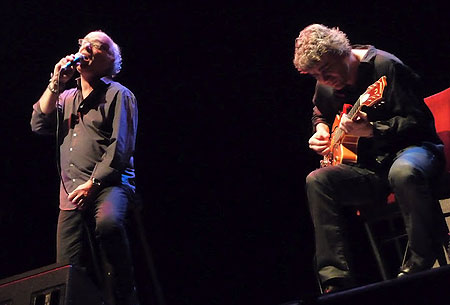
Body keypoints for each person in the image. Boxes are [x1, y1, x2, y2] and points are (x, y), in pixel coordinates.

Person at [293, 24, 447, 293]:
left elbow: (420, 122)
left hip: (414, 150)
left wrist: (373, 130)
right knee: (318, 181)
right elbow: (319, 110)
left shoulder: (386, 67)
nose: (324, 78)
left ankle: (419, 264)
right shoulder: (325, 85)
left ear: (343, 52)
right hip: (372, 167)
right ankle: (335, 280)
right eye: (316, 75)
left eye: (326, 69)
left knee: (403, 172)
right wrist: (321, 129)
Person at [31, 30, 139, 305]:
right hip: (71, 195)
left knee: (108, 223)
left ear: (111, 61)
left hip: (109, 185)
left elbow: (121, 147)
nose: (87, 47)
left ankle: (124, 292)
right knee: (65, 266)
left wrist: (94, 183)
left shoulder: (119, 94)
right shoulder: (66, 97)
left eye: (98, 45)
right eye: (84, 43)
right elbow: (39, 124)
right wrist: (55, 82)